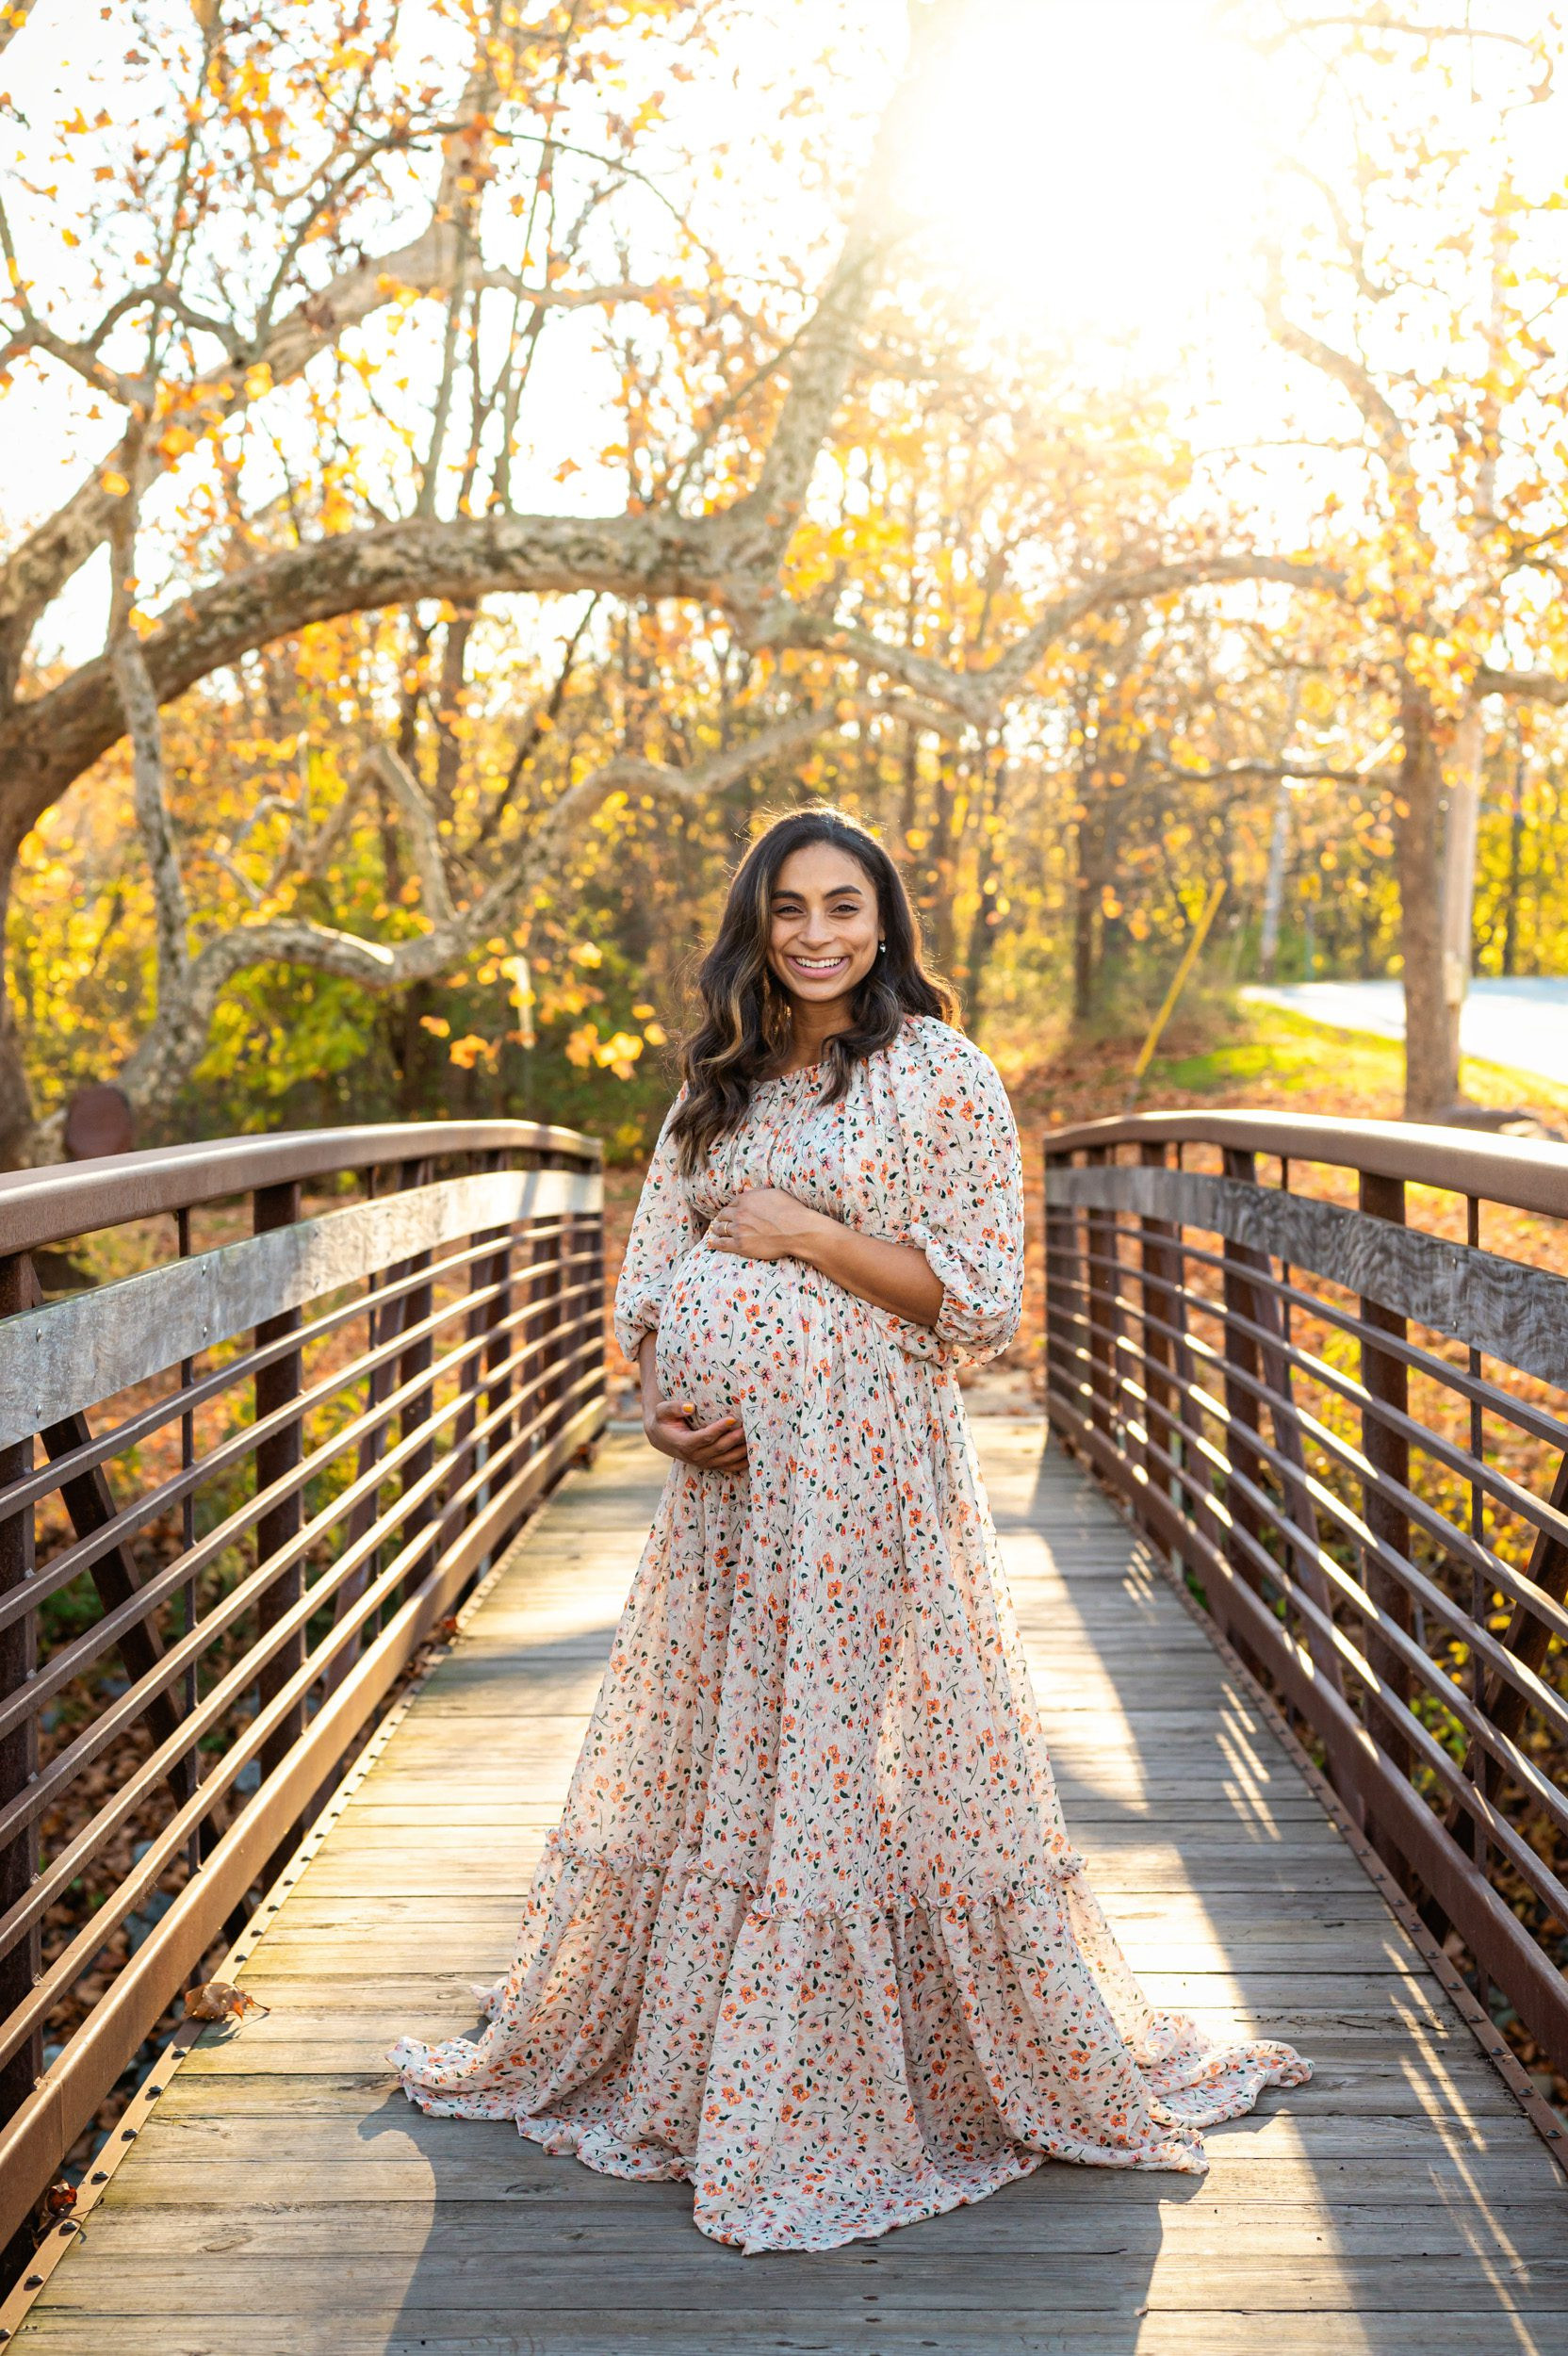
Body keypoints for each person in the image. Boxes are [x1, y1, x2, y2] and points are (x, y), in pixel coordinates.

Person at [389, 806, 1310, 2254]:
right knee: (736, 1749)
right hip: (728, 1494)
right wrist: (665, 1409)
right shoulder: (715, 1086)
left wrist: (803, 1234)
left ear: (886, 924)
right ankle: (717, 2055)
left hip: (872, 1473)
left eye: (843, 906)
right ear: (755, 928)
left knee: (846, 1742)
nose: (816, 933)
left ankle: (857, 2072)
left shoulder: (943, 1075)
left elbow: (981, 1302)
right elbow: (654, 1272)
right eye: (789, 910)